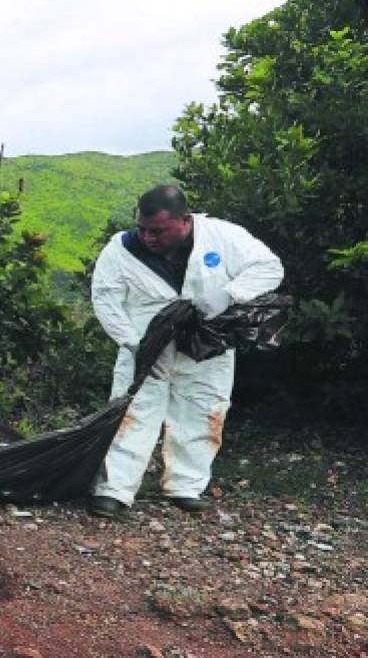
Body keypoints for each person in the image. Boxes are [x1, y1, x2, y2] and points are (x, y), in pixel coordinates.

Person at [88, 185, 283, 519]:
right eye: (143, 229)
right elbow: (105, 297)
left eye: (159, 231)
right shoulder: (120, 249)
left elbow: (269, 267)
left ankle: (185, 487)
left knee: (204, 409)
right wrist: (131, 341)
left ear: (184, 221)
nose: (149, 237)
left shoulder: (221, 237)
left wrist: (228, 293)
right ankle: (113, 491)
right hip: (145, 343)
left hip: (207, 343)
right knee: (133, 413)